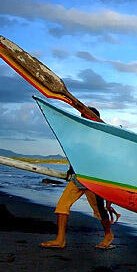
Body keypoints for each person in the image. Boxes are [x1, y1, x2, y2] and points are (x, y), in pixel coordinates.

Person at [40, 107, 120, 250]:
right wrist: (70, 171)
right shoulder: (78, 135)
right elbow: (75, 156)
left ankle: (108, 235)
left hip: (92, 179)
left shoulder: (100, 137)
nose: (82, 118)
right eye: (82, 116)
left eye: (85, 116)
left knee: (99, 210)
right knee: (62, 206)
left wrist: (109, 194)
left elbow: (105, 162)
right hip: (77, 178)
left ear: (94, 118)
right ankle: (60, 240)